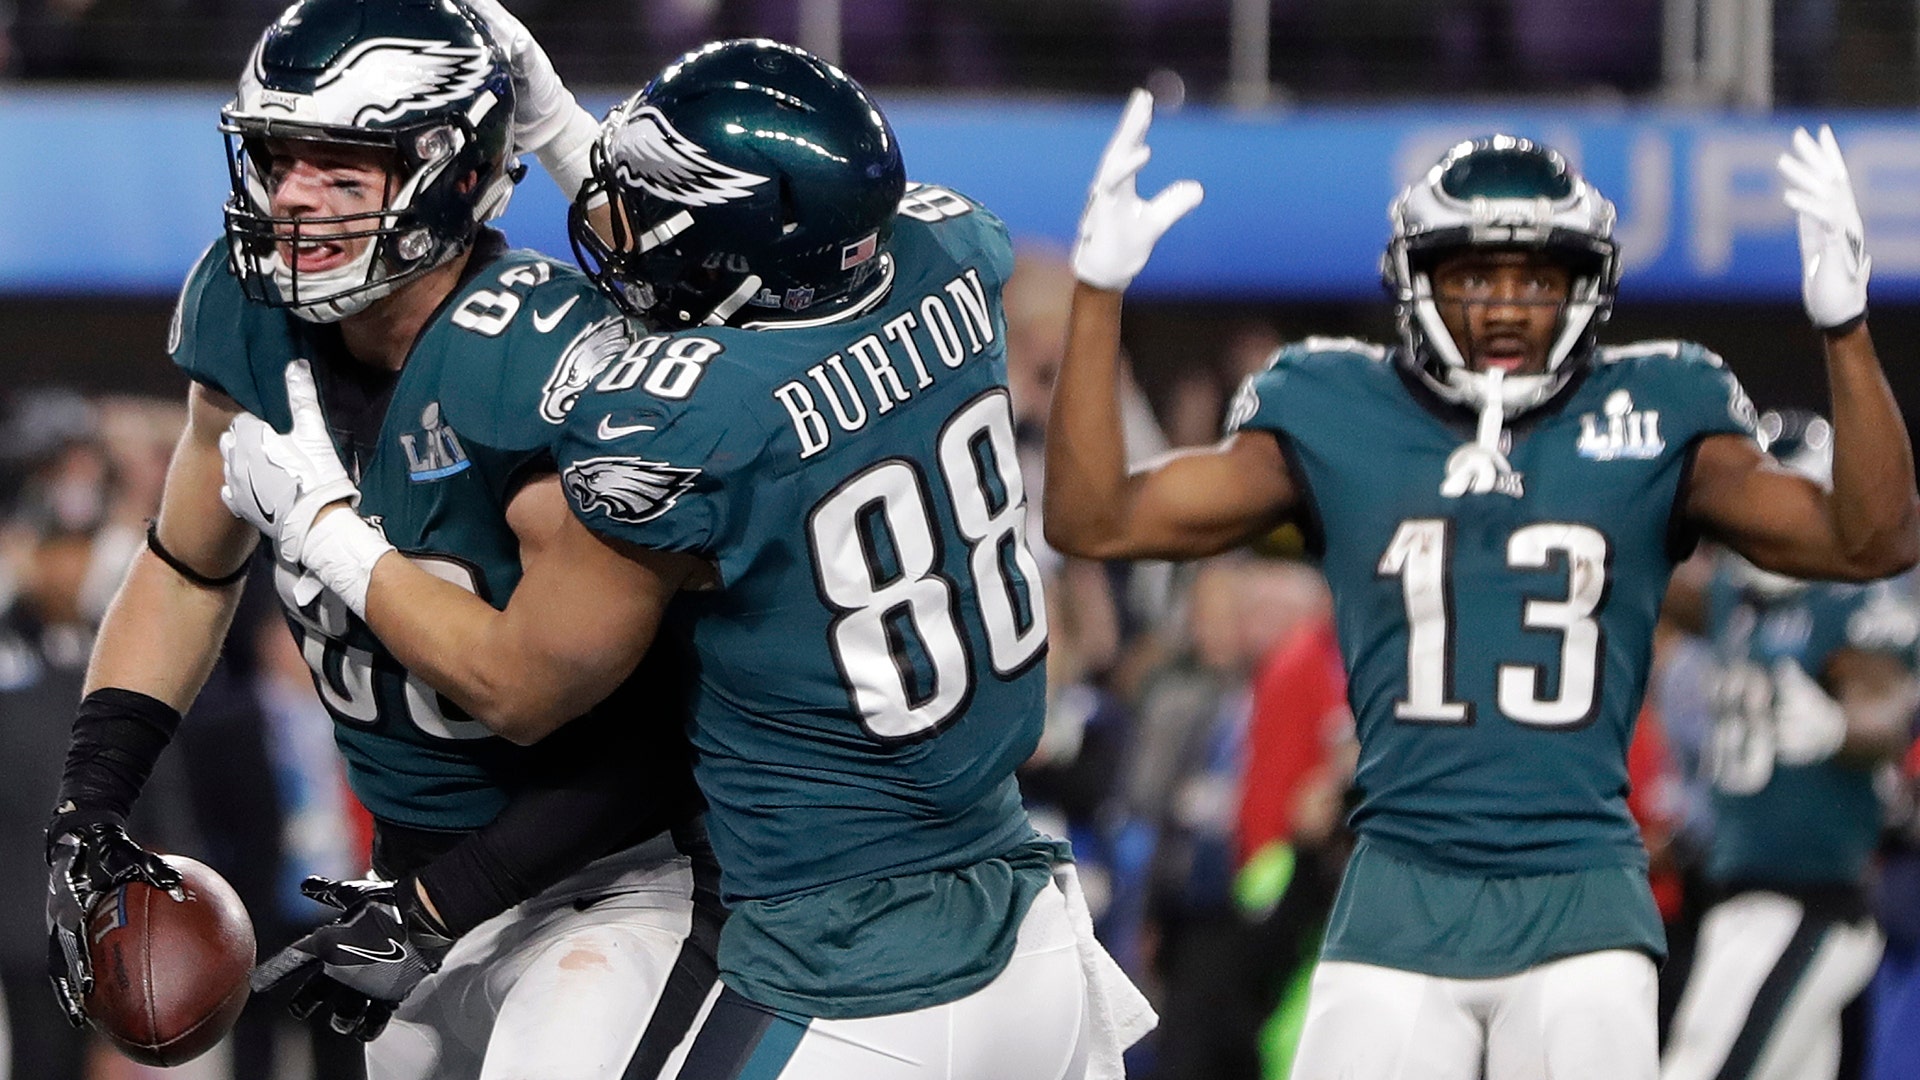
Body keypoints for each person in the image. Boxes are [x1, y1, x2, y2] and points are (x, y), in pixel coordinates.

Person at [219, 35, 1155, 1080]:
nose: (613, 217)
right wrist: (564, 126)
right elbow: (755, 261)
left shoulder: (683, 425)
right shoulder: (946, 254)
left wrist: (322, 526)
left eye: (645, 199)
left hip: (849, 970)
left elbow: (517, 686)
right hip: (1026, 923)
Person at [1041, 95, 1918, 1080]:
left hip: (1581, 901)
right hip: (1394, 900)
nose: (1505, 306)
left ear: (1586, 288)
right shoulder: (1337, 406)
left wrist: (1845, 328)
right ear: (1417, 282)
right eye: (1473, 276)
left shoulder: (1660, 405)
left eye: (1537, 278)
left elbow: (1873, 539)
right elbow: (1092, 520)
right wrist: (1097, 292)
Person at [43, 2, 722, 1076]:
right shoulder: (247, 314)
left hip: (611, 884)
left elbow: (608, 723)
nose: (295, 195)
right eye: (279, 156)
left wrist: (328, 532)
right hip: (407, 884)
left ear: (450, 175)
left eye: (344, 166)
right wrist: (89, 801)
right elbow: (185, 569)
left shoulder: (548, 362)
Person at [1660, 409, 1918, 1080]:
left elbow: (1887, 708)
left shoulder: (1846, 600)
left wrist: (1839, 728)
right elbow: (1654, 583)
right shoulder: (1732, 596)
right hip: (1739, 899)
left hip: (1805, 903)